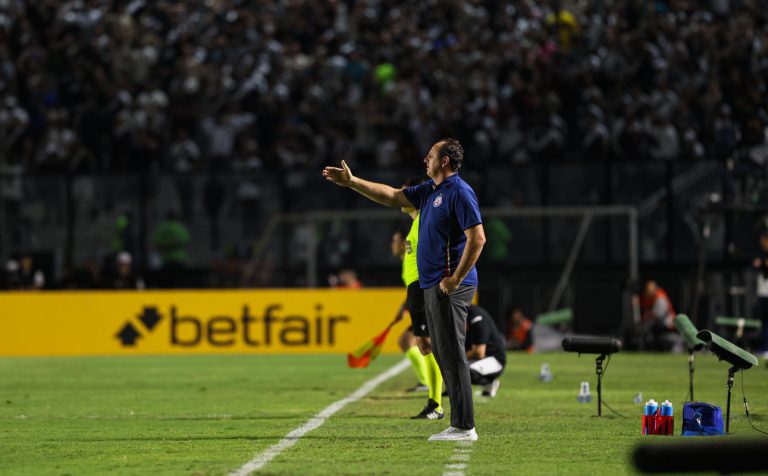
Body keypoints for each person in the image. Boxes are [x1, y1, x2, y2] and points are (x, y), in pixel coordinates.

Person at [324, 138, 485, 442]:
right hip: (432, 285)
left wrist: (455, 279)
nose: (425, 158)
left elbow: (477, 239)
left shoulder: (459, 192)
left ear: (445, 161)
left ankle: (465, 426)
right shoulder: (430, 191)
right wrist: (353, 182)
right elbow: (392, 196)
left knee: (452, 354)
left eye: (431, 154)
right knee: (443, 354)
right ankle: (459, 423)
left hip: (450, 285)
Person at [390, 186, 445, 420]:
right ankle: (435, 399)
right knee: (423, 344)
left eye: (407, 192)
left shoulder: (424, 220)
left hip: (423, 287)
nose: (402, 196)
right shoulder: (415, 224)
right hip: (416, 290)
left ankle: (436, 403)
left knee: (427, 344)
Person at [466, 304, 507, 397]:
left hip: (494, 359)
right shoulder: (460, 315)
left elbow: (479, 352)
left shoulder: (477, 316)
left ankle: (489, 382)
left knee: (463, 371)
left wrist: (456, 358)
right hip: (477, 359)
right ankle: (451, 390)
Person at [636, 280, 681, 352]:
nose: (647, 292)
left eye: (649, 290)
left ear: (654, 289)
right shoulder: (650, 297)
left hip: (667, 324)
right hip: (658, 324)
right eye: (647, 290)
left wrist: (647, 316)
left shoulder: (660, 297)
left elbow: (658, 315)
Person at [751, 231, 768, 355]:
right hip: (763, 294)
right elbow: (754, 266)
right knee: (764, 322)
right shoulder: (761, 255)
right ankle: (764, 347)